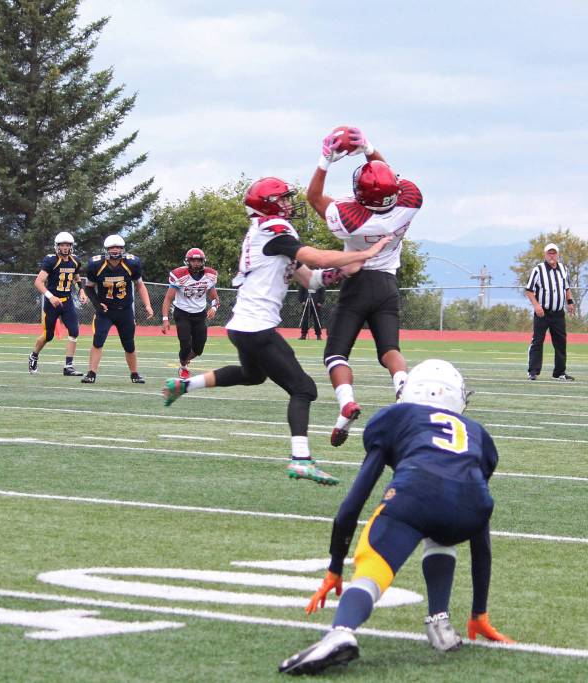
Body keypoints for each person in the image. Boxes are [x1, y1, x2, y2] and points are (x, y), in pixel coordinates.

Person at [278, 360, 513, 676]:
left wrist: (335, 566)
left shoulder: (397, 416)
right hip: (469, 511)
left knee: (372, 567)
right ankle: (439, 623)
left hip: (415, 493)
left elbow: (353, 503)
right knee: (442, 528)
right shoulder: (477, 434)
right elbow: (478, 518)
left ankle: (341, 631)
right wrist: (479, 612)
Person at [163, 177, 391, 485]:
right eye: (282, 199)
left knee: (253, 374)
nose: (288, 204)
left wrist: (342, 271)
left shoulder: (268, 234)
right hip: (256, 327)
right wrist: (363, 253)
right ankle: (301, 459)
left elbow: (310, 278)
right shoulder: (273, 230)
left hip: (244, 325)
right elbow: (316, 257)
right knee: (304, 389)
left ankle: (184, 386)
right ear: (268, 204)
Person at [306, 126, 423, 447]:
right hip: (387, 283)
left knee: (336, 353)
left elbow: (313, 197)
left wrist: (326, 160)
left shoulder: (349, 218)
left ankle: (347, 403)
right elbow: (393, 181)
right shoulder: (410, 202)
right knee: (390, 350)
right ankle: (404, 388)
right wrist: (369, 149)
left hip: (356, 282)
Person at [81, 235, 154, 384]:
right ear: (106, 250)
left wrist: (147, 305)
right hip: (105, 311)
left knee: (129, 344)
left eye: (119, 247)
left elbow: (140, 285)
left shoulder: (131, 263)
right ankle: (91, 373)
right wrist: (97, 303)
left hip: (125, 310)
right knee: (98, 341)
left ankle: (134, 374)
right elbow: (88, 288)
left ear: (123, 249)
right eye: (112, 247)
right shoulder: (96, 264)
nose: (116, 250)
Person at [28, 231, 89, 376]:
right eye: (62, 245)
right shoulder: (51, 260)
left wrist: (81, 291)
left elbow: (76, 277)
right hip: (52, 303)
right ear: (57, 246)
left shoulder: (75, 261)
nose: (65, 247)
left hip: (67, 302)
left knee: (74, 331)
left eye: (67, 245)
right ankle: (34, 355)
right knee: (48, 336)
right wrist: (50, 296)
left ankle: (68, 366)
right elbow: (38, 282)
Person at [161, 248, 219, 379]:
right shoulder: (179, 274)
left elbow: (214, 297)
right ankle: (183, 366)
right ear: (188, 261)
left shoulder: (210, 275)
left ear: (203, 261)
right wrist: (165, 319)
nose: (196, 263)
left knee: (199, 349)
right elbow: (168, 298)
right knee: (185, 344)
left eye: (199, 260)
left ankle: (185, 360)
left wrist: (214, 307)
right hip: (182, 313)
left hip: (200, 314)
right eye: (193, 260)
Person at [524, 242, 575, 381]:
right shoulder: (538, 270)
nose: (551, 255)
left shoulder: (564, 269)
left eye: (554, 253)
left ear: (558, 254)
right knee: (538, 341)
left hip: (558, 313)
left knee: (561, 342)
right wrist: (536, 306)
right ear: (545, 255)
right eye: (549, 253)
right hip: (543, 312)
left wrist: (570, 302)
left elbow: (567, 288)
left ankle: (559, 372)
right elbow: (529, 291)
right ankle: (533, 371)